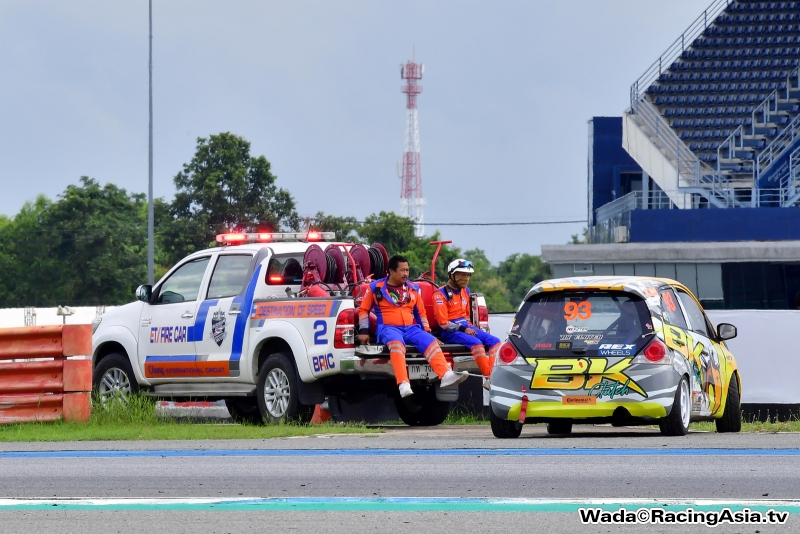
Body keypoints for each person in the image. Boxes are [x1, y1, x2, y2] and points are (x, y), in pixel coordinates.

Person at [357, 255, 470, 398]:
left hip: (411, 328)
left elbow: (421, 313)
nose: (406, 274)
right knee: (397, 345)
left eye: (407, 270)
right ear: (391, 271)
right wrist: (364, 331)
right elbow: (363, 310)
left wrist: (428, 332)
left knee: (430, 342)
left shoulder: (413, 288)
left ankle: (446, 375)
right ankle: (403, 383)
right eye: (402, 270)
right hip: (388, 328)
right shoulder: (375, 287)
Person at [432, 259, 501, 386]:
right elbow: (443, 323)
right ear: (452, 275)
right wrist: (463, 329)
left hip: (466, 326)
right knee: (477, 344)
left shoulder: (466, 291)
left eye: (468, 275)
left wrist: (470, 328)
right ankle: (490, 378)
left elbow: (466, 316)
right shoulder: (439, 294)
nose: (466, 278)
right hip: (450, 331)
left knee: (495, 342)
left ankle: (491, 376)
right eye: (462, 274)